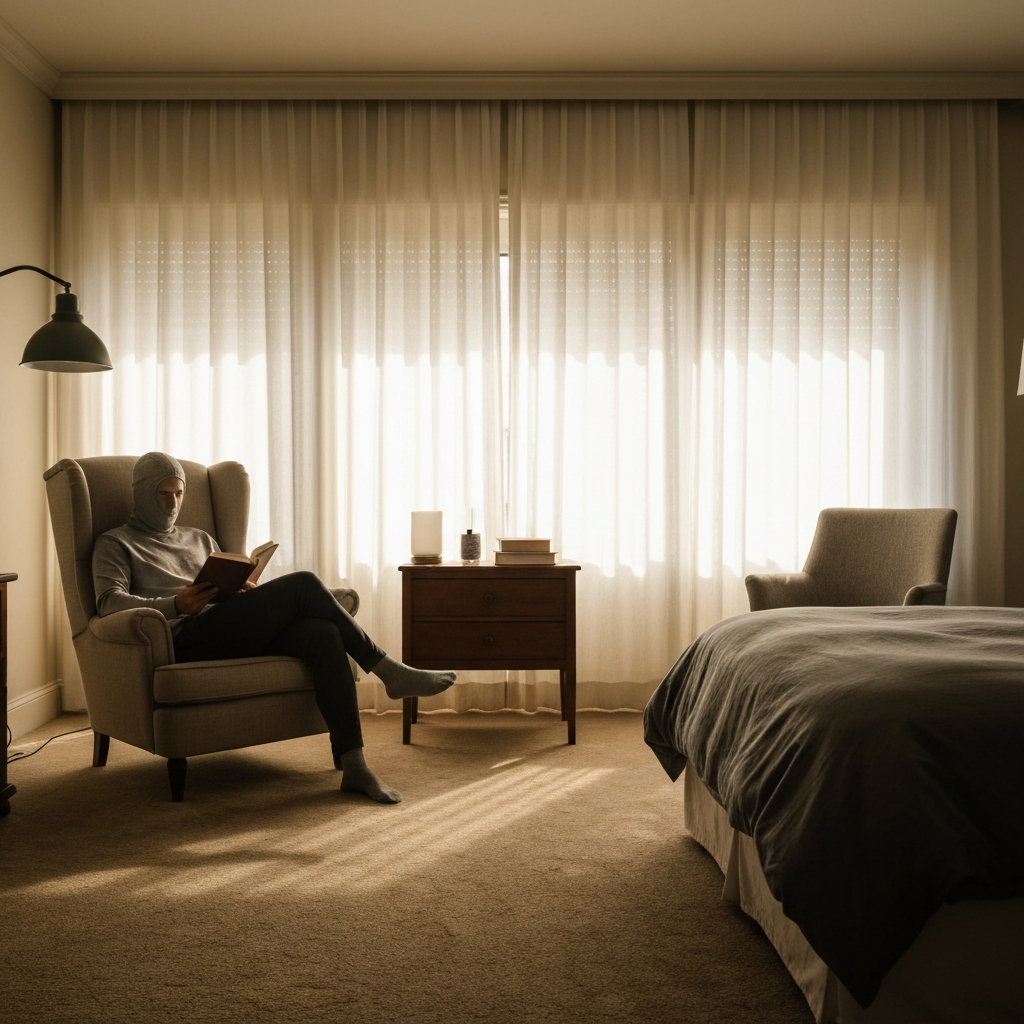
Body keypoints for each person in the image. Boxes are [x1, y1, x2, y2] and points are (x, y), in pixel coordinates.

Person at [92, 452, 455, 804]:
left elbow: (218, 587)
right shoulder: (115, 542)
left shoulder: (200, 538)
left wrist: (241, 591)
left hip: (223, 626)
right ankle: (387, 669)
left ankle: (354, 765)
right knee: (304, 585)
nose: (173, 503)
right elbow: (108, 602)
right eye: (163, 493)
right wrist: (175, 605)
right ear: (142, 493)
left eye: (179, 493)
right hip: (182, 637)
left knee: (322, 634)